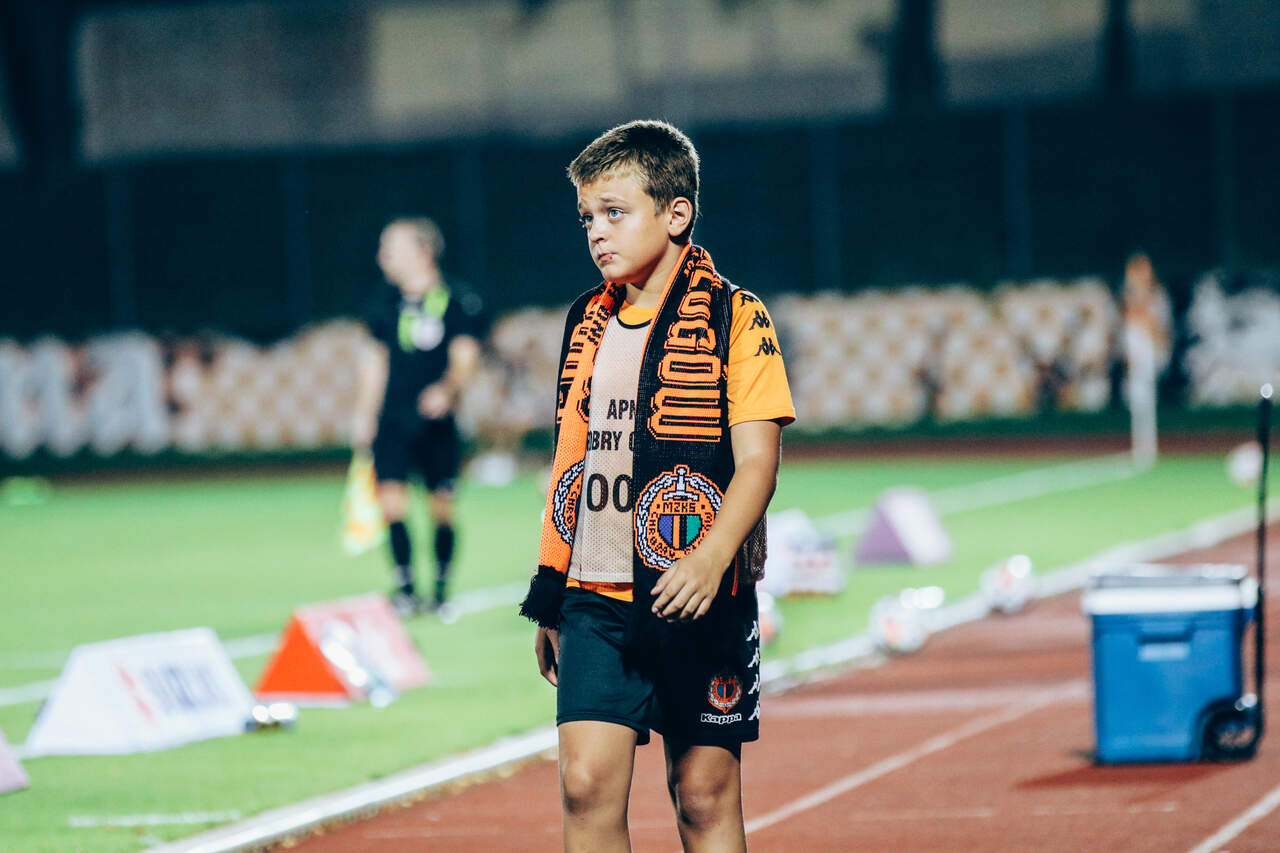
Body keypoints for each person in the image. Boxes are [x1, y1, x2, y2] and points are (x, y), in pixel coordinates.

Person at [518, 120, 795, 852]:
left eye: (615, 212)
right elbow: (571, 460)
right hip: (595, 597)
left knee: (702, 796)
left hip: (697, 593)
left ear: (676, 213)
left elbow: (759, 464)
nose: (596, 232)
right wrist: (553, 589)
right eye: (587, 217)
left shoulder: (737, 315)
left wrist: (710, 557)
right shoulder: (585, 319)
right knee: (584, 785)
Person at [352, 217, 484, 620]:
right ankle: (407, 589)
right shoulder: (384, 303)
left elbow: (466, 358)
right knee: (391, 504)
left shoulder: (458, 300)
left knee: (441, 508)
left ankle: (441, 591)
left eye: (391, 249)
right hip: (392, 420)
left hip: (435, 424)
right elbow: (375, 361)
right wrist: (365, 414)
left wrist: (447, 390)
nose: (383, 258)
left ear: (423, 252)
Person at [1121, 251, 1172, 468]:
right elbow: (1128, 324)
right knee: (1136, 397)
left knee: (1146, 396)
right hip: (1135, 346)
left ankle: (1148, 446)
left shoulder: (1157, 294)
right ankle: (1140, 445)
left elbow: (1158, 326)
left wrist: (1158, 349)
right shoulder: (1129, 294)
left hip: (1150, 348)